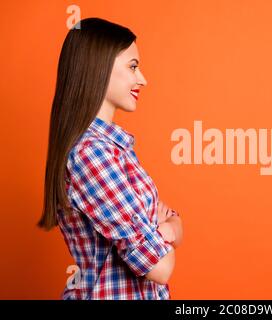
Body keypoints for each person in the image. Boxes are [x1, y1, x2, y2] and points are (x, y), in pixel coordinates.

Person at [37, 17, 183, 300]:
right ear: (99, 68)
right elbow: (160, 266)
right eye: (133, 67)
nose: (143, 79)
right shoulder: (93, 155)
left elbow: (174, 226)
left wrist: (167, 228)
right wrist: (166, 229)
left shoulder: (115, 149)